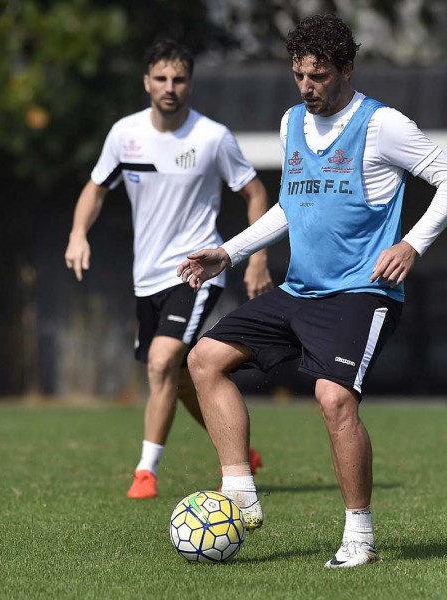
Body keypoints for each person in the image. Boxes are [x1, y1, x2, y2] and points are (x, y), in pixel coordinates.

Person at [177, 14, 447, 568]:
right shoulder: (292, 122)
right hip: (300, 290)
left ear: (346, 69)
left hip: (362, 292)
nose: (307, 87)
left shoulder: (382, 124)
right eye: (299, 75)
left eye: (318, 76)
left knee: (334, 399)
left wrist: (412, 244)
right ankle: (240, 491)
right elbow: (290, 207)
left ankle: (359, 536)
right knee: (203, 360)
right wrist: (228, 252)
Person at [64, 39, 272, 500]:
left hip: (195, 271)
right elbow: (95, 188)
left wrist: (256, 256)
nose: (170, 87)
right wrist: (78, 233)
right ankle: (242, 451)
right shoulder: (125, 134)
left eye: (178, 79)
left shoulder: (212, 137)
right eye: (161, 78)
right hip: (146, 277)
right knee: (176, 379)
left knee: (161, 362)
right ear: (146, 82)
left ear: (190, 84)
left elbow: (255, 193)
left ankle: (145, 472)